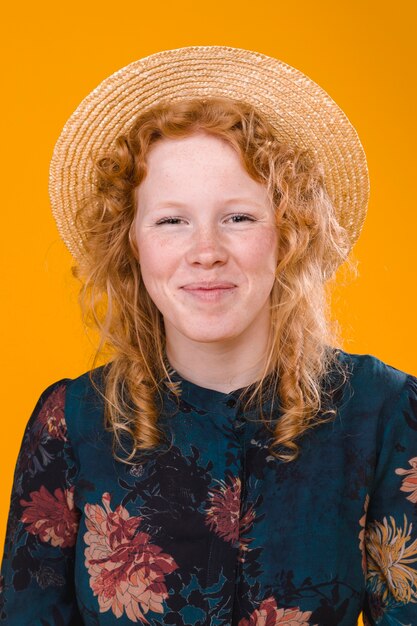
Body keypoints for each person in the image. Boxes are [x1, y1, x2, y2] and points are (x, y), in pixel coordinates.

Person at [0, 46, 416, 626]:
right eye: (172, 221)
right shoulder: (70, 423)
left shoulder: (386, 411)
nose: (205, 253)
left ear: (289, 235)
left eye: (239, 217)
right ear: (132, 243)